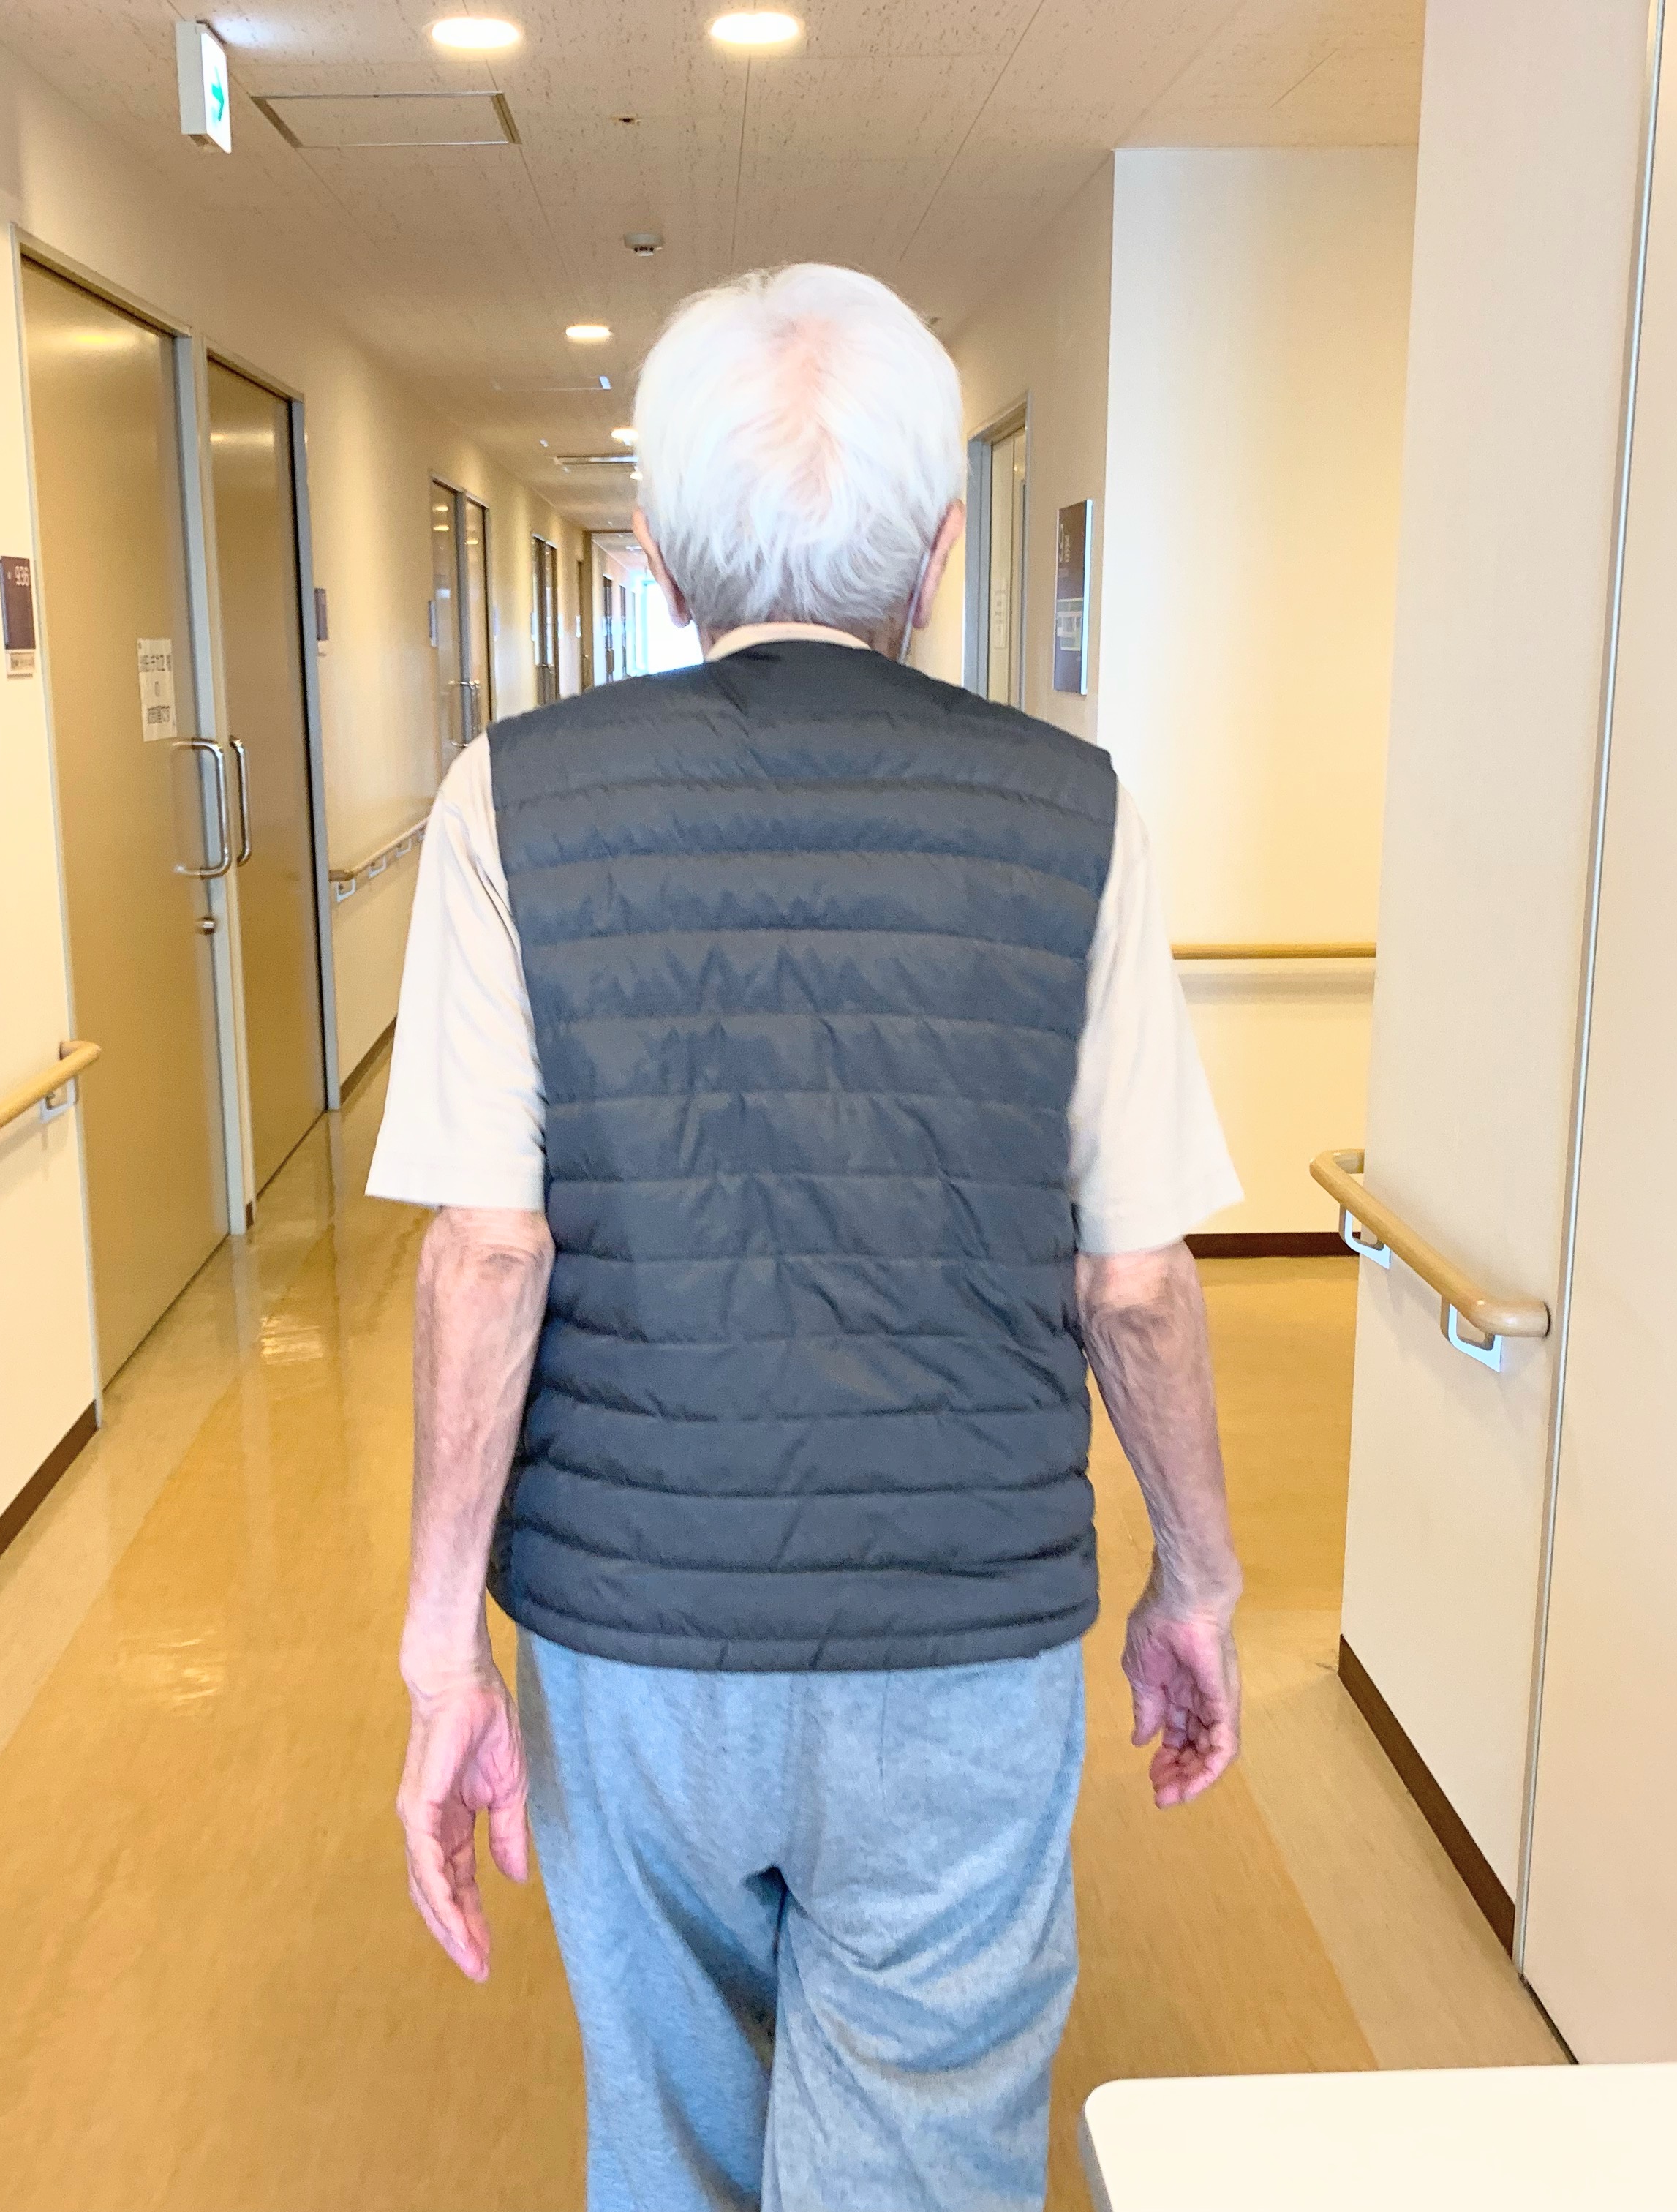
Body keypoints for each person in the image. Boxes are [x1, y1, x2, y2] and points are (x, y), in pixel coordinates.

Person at [369, 262, 1246, 2212]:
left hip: (633, 1634)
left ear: (660, 555)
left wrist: (444, 1656)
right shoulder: (1076, 812)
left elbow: (487, 1257)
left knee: (670, 2134)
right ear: (941, 555)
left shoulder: (510, 803)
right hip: (963, 1628)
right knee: (922, 2145)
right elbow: (1132, 1283)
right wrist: (1195, 1577)